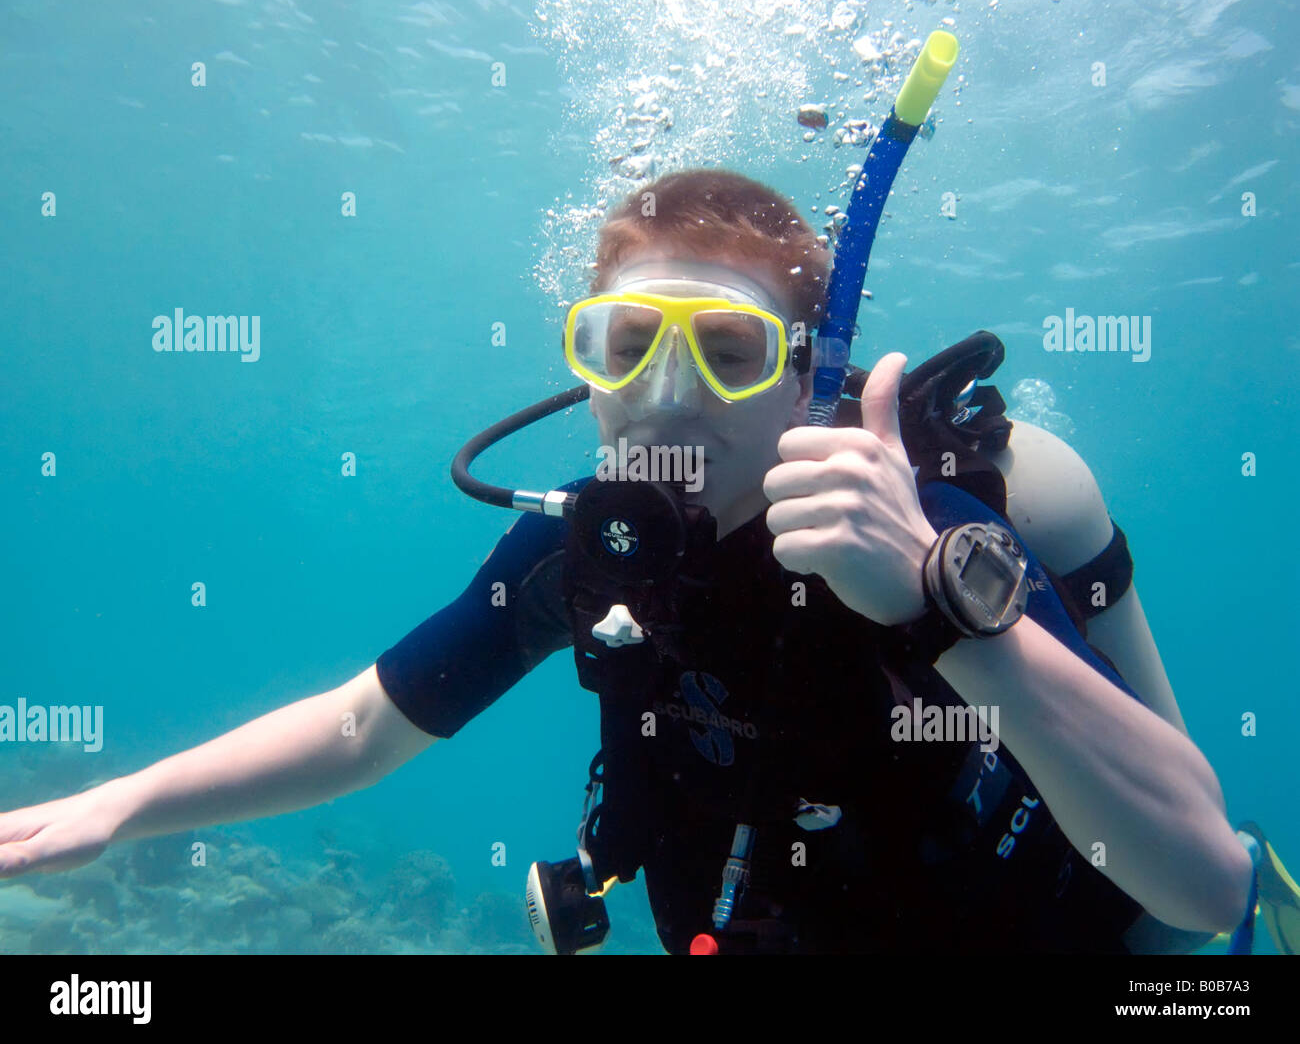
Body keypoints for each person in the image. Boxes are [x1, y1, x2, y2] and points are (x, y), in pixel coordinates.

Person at [0, 169, 1287, 956]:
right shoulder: (583, 549)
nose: (663, 395)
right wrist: (125, 802)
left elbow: (1198, 878)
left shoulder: (936, 529)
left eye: (726, 350)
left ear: (807, 379)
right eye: (622, 343)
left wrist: (944, 603)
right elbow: (359, 729)